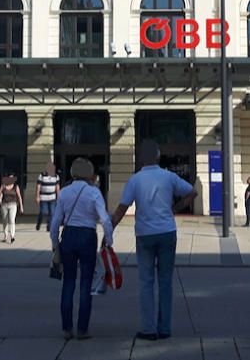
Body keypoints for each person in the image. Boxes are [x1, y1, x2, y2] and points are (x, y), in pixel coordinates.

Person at [111, 140, 198, 342]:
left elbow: (122, 208)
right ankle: (165, 327)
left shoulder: (135, 180)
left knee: (146, 282)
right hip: (167, 231)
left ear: (142, 158)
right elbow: (192, 192)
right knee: (166, 282)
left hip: (145, 234)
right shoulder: (169, 176)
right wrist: (176, 208)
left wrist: (110, 229)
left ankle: (149, 329)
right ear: (158, 156)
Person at [49, 158, 112, 340]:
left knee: (68, 283)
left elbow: (55, 222)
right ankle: (82, 329)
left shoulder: (65, 192)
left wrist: (55, 245)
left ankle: (67, 328)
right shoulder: (94, 192)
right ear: (90, 173)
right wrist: (108, 240)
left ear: (72, 172)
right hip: (87, 236)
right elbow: (105, 219)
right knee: (86, 283)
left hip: (68, 236)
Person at [0, 174, 24, 244]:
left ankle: (12, 236)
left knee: (12, 220)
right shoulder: (3, 186)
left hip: (13, 205)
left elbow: (19, 197)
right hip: (4, 205)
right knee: (5, 220)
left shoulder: (15, 187)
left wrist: (21, 206)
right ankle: (5, 235)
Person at [35, 163, 61, 231]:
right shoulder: (42, 175)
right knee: (42, 212)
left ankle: (49, 227)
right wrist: (37, 196)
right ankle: (38, 223)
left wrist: (59, 197)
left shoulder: (56, 176)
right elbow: (38, 186)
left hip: (52, 197)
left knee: (52, 212)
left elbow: (57, 187)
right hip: (43, 197)